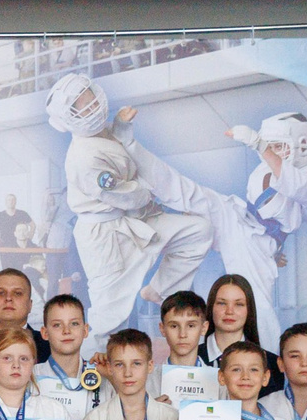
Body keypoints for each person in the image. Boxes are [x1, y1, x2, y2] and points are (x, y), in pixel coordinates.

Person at [137, 110, 307, 342]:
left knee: (258, 306)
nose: (272, 152)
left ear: (303, 145)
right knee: (193, 194)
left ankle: (269, 362)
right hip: (238, 219)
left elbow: (297, 189)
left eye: (278, 146)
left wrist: (260, 145)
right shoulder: (263, 169)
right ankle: (160, 288)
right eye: (271, 146)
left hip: (257, 246)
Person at [43, 74, 208, 341]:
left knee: (198, 231)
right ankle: (86, 374)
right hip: (106, 237)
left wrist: (121, 125)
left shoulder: (101, 132)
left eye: (90, 98)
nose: (92, 107)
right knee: (108, 320)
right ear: (69, 119)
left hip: (133, 221)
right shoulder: (83, 158)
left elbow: (119, 152)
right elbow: (128, 195)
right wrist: (154, 189)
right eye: (81, 106)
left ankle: (160, 290)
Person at [0, 269, 51, 361]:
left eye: (17, 293)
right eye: (0, 293)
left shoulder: (51, 348)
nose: (8, 298)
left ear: (30, 305)